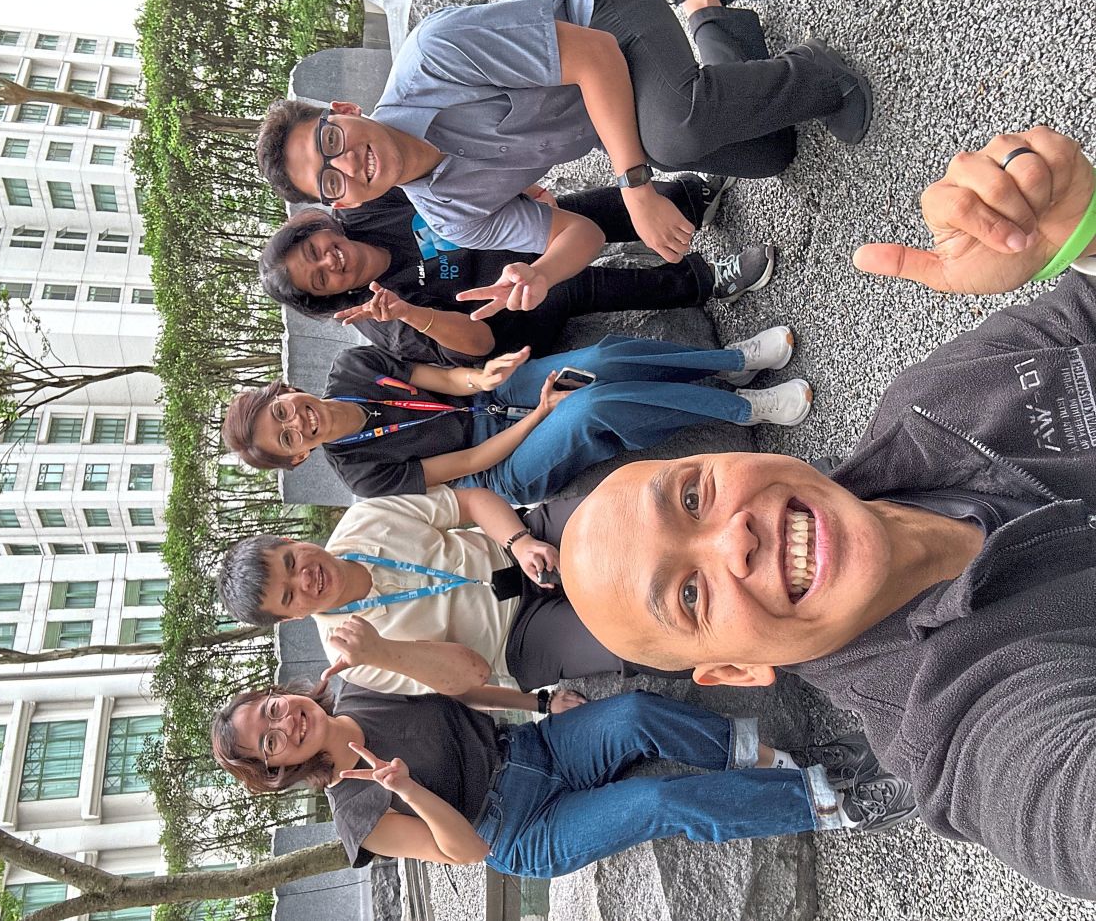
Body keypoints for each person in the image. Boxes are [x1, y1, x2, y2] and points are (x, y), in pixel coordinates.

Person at [556, 126, 1096, 897]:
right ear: (738, 671)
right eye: (689, 594)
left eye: (692, 497)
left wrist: (1082, 229)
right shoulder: (955, 729)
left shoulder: (933, 402)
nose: (733, 540)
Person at [255, 0, 871, 320]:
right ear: (343, 204)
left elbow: (595, 56)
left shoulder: (431, 56)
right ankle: (713, 20)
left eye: (329, 143)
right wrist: (541, 274)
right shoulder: (447, 217)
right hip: (615, 113)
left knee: (673, 138)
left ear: (343, 111)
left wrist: (636, 186)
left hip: (606, 21)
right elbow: (577, 231)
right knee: (772, 152)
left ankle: (821, 73)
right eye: (330, 184)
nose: (348, 167)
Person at [211, 681, 917, 877]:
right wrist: (408, 790)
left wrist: (542, 702)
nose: (285, 724)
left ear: (280, 692)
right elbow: (468, 854)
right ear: (275, 768)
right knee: (655, 799)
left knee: (637, 713)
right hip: (520, 831)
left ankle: (773, 761)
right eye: (268, 741)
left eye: (272, 709)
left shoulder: (354, 693)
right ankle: (832, 806)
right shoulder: (356, 814)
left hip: (532, 751)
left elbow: (457, 679)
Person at [222, 327, 811, 504]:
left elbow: (437, 380)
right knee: (590, 406)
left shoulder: (351, 369)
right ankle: (743, 409)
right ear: (298, 455)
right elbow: (472, 460)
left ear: (285, 391)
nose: (298, 421)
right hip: (497, 467)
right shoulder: (360, 473)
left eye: (283, 411)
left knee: (599, 358)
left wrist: (484, 377)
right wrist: (539, 414)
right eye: (287, 437)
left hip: (481, 400)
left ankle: (731, 361)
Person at [216, 486, 686, 699]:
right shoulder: (356, 659)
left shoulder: (362, 521)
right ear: (292, 618)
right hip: (517, 638)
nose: (305, 579)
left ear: (292, 542)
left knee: (618, 511)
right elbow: (474, 675)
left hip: (513, 548)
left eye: (291, 563)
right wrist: (381, 650)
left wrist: (519, 542)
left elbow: (469, 501)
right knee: (633, 637)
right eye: (289, 596)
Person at [261, 179, 774, 367]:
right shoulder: (382, 321)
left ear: (316, 231)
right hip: (507, 313)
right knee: (557, 283)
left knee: (562, 218)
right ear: (332, 297)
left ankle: (685, 202)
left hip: (503, 235)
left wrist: (515, 189)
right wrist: (412, 313)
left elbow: (444, 181)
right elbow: (478, 346)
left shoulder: (365, 210)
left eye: (316, 252)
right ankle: (707, 281)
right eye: (321, 279)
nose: (331, 261)